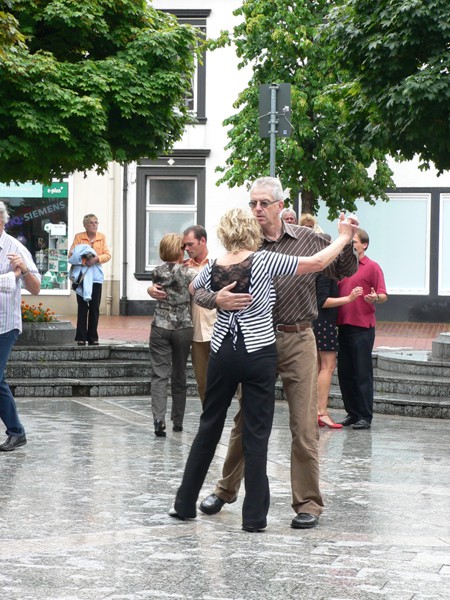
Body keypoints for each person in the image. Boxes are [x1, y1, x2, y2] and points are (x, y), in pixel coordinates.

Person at [169, 207, 358, 531]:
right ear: (250, 231)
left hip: (229, 350)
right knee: (254, 431)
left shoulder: (215, 264)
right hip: (259, 350)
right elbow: (315, 264)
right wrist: (344, 236)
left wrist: (216, 298)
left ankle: (184, 503)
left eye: (263, 202)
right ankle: (253, 517)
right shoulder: (264, 259)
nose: (258, 208)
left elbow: (192, 288)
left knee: (210, 426)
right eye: (253, 204)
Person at [147, 225, 216, 405]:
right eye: (184, 246)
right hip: (195, 331)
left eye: (189, 244)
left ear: (202, 241)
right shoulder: (184, 267)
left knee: (226, 379)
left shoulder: (217, 264)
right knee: (202, 381)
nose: (186, 249)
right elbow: (165, 282)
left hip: (217, 328)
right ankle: (208, 415)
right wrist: (150, 289)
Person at [0, 201, 41, 451]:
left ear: (1, 221)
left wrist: (23, 271)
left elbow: (36, 288)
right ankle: (17, 431)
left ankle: (16, 431)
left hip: (5, 325)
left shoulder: (15, 248)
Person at [337, 228, 387, 429]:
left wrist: (375, 297)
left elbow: (383, 295)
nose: (351, 245)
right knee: (345, 372)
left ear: (364, 245)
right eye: (349, 242)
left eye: (354, 242)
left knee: (362, 372)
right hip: (343, 325)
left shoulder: (372, 267)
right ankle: (352, 413)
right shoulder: (342, 267)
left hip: (362, 327)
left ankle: (365, 416)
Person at [148, 233, 197, 437]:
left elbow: (164, 278)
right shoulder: (189, 273)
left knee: (159, 375)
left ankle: (159, 420)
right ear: (180, 250)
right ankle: (178, 421)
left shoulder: (156, 272)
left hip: (160, 326)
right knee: (179, 373)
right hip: (183, 327)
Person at [314, 268, 363, 429]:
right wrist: (349, 298)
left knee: (319, 367)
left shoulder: (318, 272)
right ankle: (321, 412)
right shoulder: (326, 274)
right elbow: (323, 301)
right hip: (324, 323)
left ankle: (316, 411)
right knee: (328, 366)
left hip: (318, 322)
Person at [69, 214, 111, 346]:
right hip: (82, 276)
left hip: (96, 278)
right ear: (85, 225)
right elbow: (71, 255)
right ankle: (81, 336)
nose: (94, 225)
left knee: (94, 307)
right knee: (82, 307)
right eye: (91, 223)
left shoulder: (101, 237)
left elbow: (107, 255)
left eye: (96, 222)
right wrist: (84, 260)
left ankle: (93, 336)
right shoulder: (79, 237)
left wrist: (96, 259)